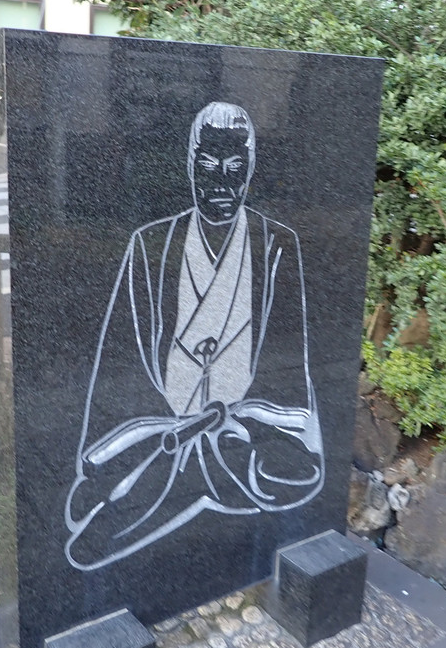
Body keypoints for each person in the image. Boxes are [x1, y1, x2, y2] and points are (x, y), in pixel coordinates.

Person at [64, 102, 324, 571]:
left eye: (235, 168)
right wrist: (161, 421)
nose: (221, 183)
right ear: (189, 166)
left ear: (250, 169)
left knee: (266, 467)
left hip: (241, 426)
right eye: (208, 167)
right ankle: (159, 476)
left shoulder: (277, 243)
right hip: (163, 424)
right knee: (166, 452)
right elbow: (122, 352)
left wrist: (240, 422)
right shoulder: (151, 244)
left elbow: (287, 365)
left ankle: (134, 502)